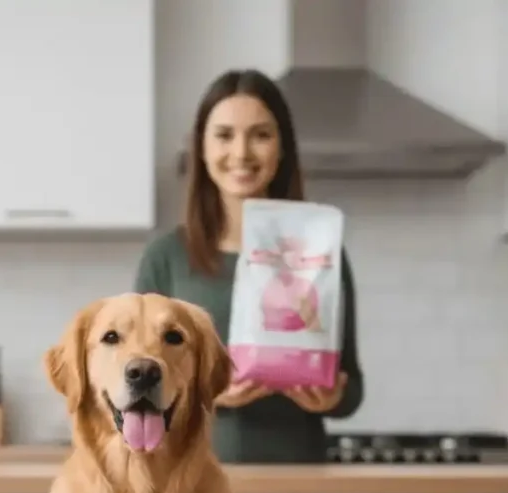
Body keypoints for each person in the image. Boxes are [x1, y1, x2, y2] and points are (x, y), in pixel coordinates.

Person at [133, 68, 364, 464]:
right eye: (224, 135)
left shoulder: (321, 254)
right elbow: (137, 386)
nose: (241, 153)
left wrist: (333, 397)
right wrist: (204, 391)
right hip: (192, 480)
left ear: (282, 147)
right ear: (202, 148)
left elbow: (352, 387)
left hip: (301, 475)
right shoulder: (166, 257)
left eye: (261, 135)